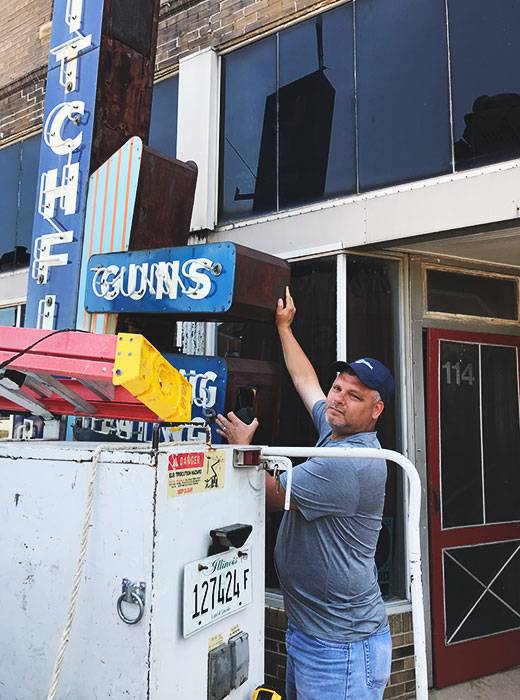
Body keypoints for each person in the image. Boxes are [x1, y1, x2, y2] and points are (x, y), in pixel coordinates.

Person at [216, 287, 394, 700]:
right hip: (312, 632)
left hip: (341, 648)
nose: (338, 400)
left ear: (376, 409)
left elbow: (272, 495)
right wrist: (284, 328)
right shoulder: (333, 431)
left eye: (355, 396)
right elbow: (304, 379)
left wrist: (245, 450)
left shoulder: (350, 462)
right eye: (338, 389)